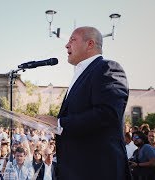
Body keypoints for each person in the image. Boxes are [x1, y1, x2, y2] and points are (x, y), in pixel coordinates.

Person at [36, 26, 131, 179]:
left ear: (90, 44)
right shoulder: (81, 74)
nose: (66, 45)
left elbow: (108, 113)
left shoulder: (107, 68)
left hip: (97, 171)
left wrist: (59, 123)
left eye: (72, 40)